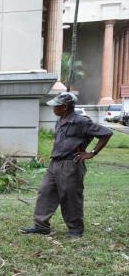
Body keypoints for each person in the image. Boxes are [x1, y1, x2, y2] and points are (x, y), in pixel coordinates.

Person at [20, 91, 112, 238]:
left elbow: (106, 133)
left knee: (70, 196)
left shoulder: (81, 121)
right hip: (55, 164)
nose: (53, 109)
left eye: (56, 106)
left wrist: (92, 153)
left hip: (71, 164)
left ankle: (75, 229)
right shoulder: (60, 120)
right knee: (45, 192)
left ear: (65, 106)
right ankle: (41, 226)